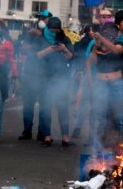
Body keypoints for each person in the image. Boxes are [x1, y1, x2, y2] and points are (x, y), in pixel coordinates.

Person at [88, 15, 123, 151]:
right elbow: (91, 63)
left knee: (121, 118)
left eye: (111, 32)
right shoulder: (97, 44)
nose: (108, 34)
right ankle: (97, 148)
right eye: (106, 32)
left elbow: (116, 50)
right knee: (100, 117)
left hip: (116, 84)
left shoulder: (121, 41)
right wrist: (96, 46)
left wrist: (100, 39)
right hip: (101, 83)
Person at [36, 16, 75, 147]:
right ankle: (47, 136)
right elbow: (37, 56)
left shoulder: (65, 39)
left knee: (63, 108)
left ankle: (65, 137)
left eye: (56, 31)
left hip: (61, 78)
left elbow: (70, 57)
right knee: (45, 108)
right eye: (51, 30)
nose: (54, 33)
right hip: (45, 77)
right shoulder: (41, 38)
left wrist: (64, 49)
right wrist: (51, 49)